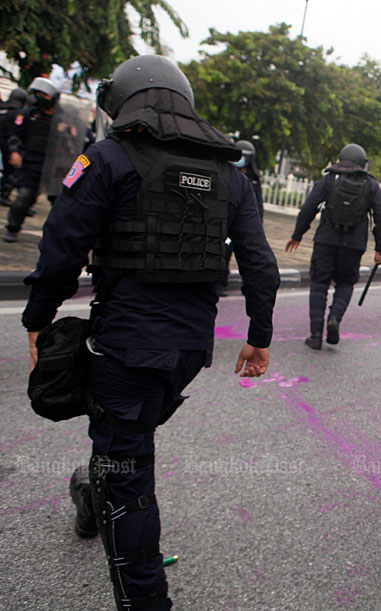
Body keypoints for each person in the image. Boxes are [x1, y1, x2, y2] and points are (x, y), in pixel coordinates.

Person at [21, 54, 279, 611]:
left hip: (128, 348)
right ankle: (93, 498)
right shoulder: (230, 177)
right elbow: (260, 263)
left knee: (128, 473)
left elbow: (61, 248)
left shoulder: (109, 158)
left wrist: (37, 318)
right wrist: (259, 335)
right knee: (123, 435)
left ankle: (146, 599)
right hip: (187, 351)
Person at [286, 143, 381, 349]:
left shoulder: (330, 179)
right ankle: (335, 317)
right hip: (354, 244)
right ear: (362, 163)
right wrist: (380, 248)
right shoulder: (370, 185)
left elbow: (308, 208)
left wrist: (298, 234)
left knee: (319, 284)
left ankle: (315, 334)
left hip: (325, 239)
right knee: (345, 283)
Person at [3, 77, 59, 242]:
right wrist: (14, 152)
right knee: (23, 198)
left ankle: (59, 236)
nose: (40, 98)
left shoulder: (63, 117)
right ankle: (12, 228)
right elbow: (15, 135)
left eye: (44, 95)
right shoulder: (29, 114)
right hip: (31, 163)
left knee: (60, 203)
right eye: (37, 94)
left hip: (55, 167)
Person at [219, 139, 265, 296]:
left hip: (244, 223)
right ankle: (220, 283)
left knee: (249, 257)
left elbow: (258, 204)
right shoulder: (225, 171)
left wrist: (258, 224)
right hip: (225, 219)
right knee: (223, 253)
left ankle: (250, 286)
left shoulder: (253, 178)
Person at [0, 87, 30, 206]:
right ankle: (4, 194)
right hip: (8, 143)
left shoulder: (2, 108)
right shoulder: (18, 112)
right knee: (11, 170)